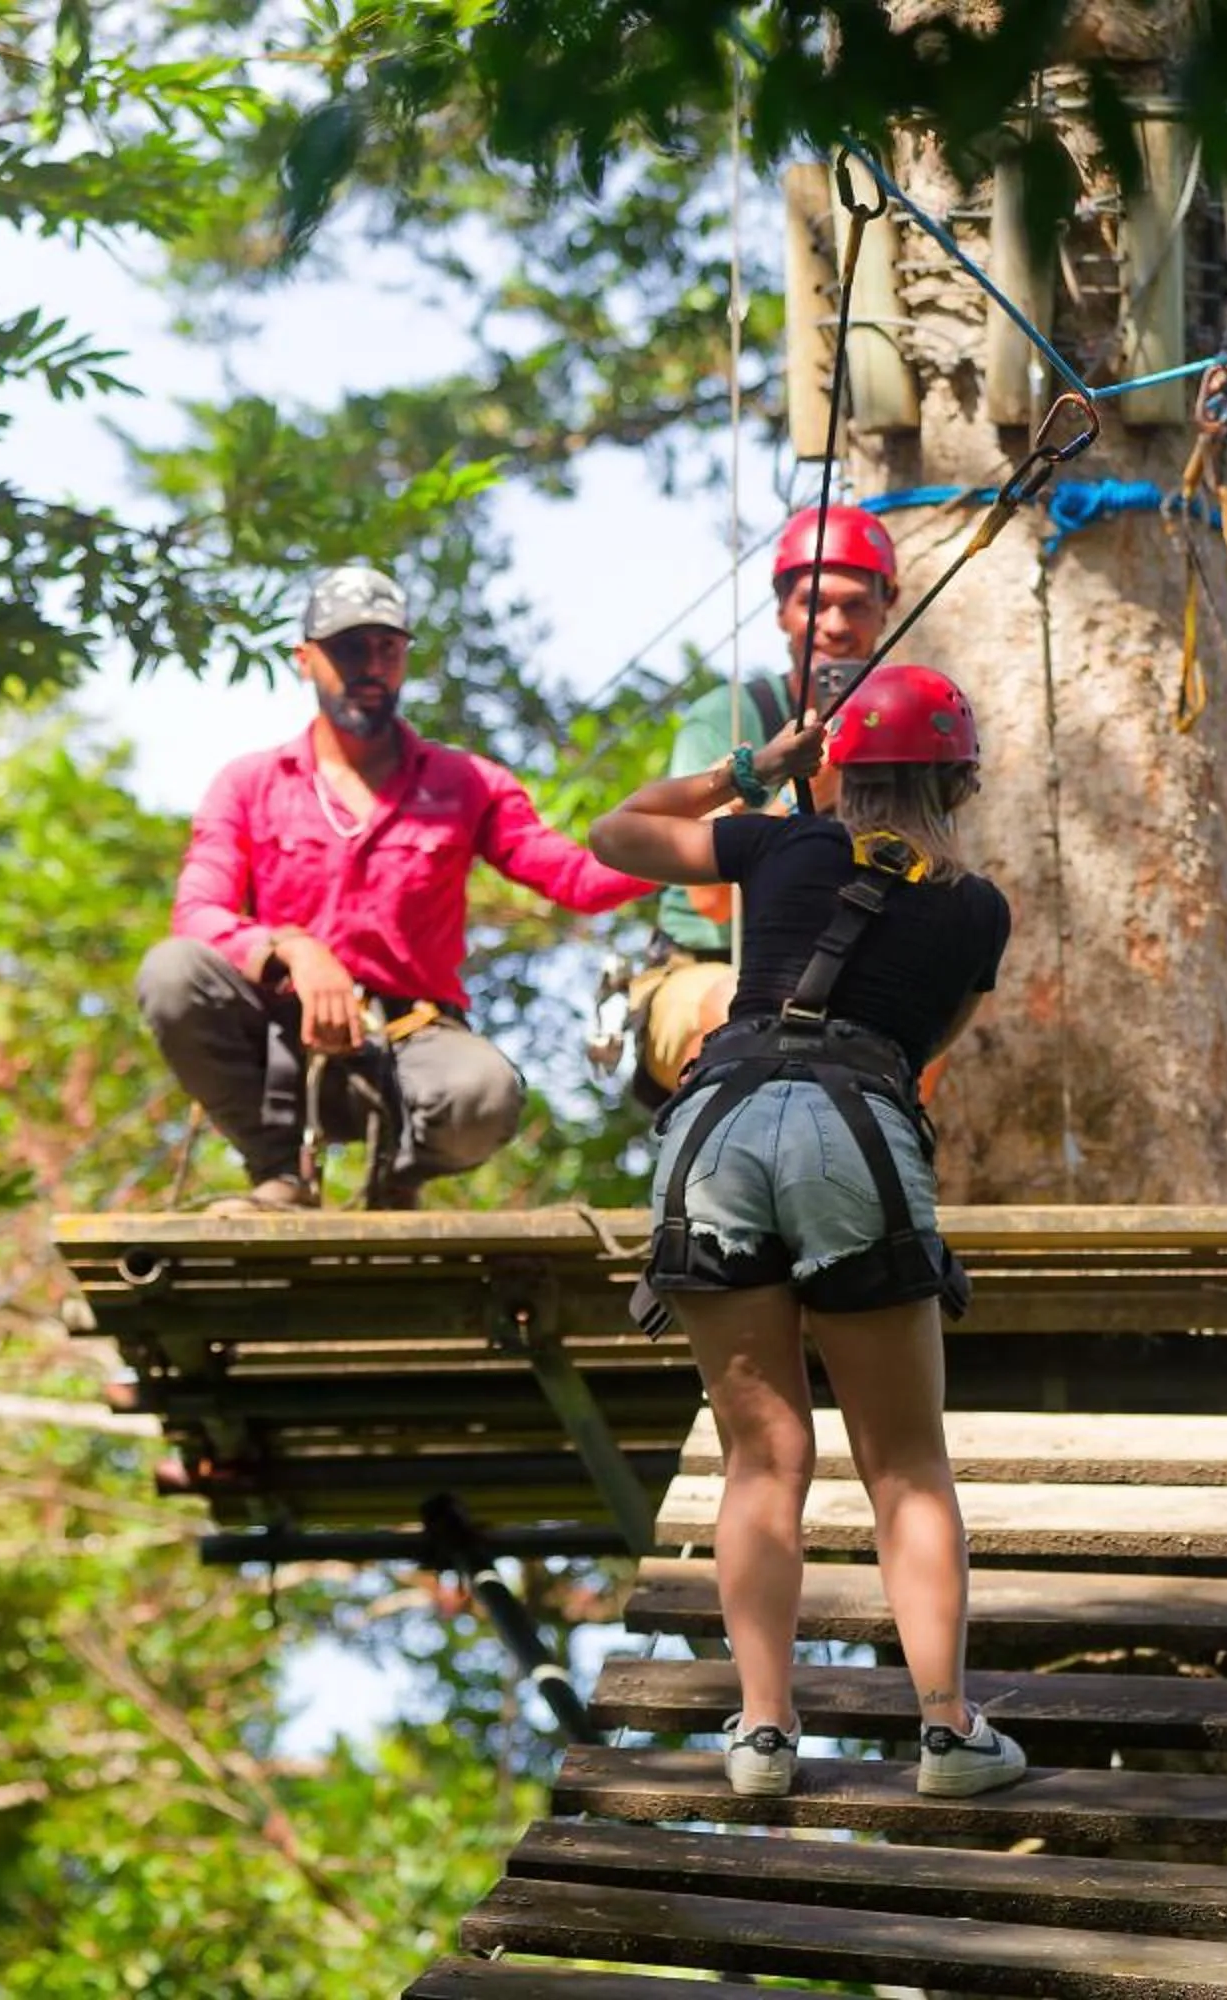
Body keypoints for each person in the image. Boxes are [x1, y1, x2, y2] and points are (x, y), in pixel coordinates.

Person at [587, 663, 1024, 1802]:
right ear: (959, 775)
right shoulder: (977, 908)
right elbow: (930, 1047)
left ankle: (764, 1730)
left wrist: (751, 771)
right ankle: (947, 1730)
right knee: (907, 1463)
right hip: (855, 1129)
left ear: (840, 766)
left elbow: (613, 832)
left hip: (715, 1127)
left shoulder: (777, 844)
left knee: (761, 1457)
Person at [139, 562, 656, 1213]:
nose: (370, 666)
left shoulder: (466, 783)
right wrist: (293, 950)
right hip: (286, 1052)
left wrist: (706, 839)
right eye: (348, 648)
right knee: (172, 972)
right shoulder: (249, 784)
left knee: (485, 1092)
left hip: (411, 1049)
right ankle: (281, 1173)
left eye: (387, 648)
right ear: (305, 660)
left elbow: (577, 880)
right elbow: (197, 914)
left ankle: (396, 1182)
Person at [625, 504, 902, 1104]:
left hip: (840, 965)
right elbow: (711, 898)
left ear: (888, 607)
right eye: (814, 604)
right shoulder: (729, 718)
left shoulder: (906, 730)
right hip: (707, 968)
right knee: (737, 1010)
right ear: (782, 612)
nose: (834, 625)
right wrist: (799, 797)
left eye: (855, 604)